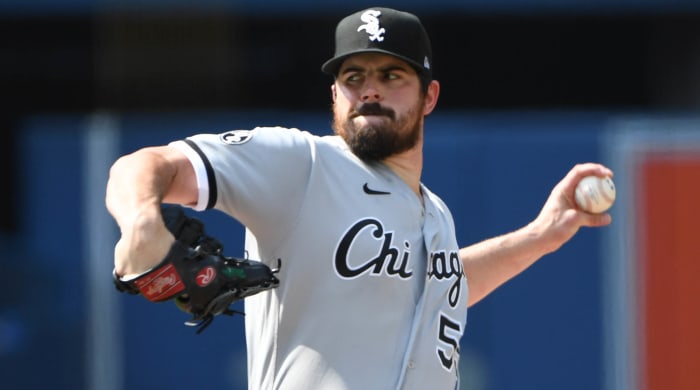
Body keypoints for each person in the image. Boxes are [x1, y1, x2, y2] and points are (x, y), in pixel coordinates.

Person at [105, 7, 613, 390]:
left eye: (391, 76)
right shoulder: (301, 165)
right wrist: (141, 220)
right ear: (334, 96)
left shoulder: (435, 214)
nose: (370, 90)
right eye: (354, 78)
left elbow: (442, 287)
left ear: (428, 96)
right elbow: (144, 165)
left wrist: (540, 236)